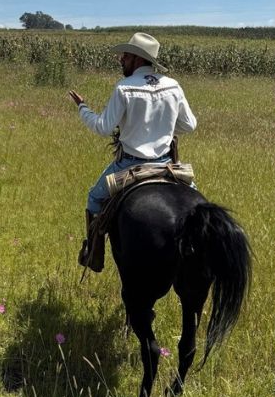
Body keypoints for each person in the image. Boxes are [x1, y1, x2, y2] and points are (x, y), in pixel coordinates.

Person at [70, 32, 198, 271]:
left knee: (94, 198)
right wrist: (167, 127)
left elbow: (103, 127)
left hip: (129, 164)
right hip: (166, 165)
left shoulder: (124, 88)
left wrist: (82, 108)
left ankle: (93, 254)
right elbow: (189, 125)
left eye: (125, 56)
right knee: (199, 208)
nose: (121, 59)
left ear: (137, 59)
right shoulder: (172, 85)